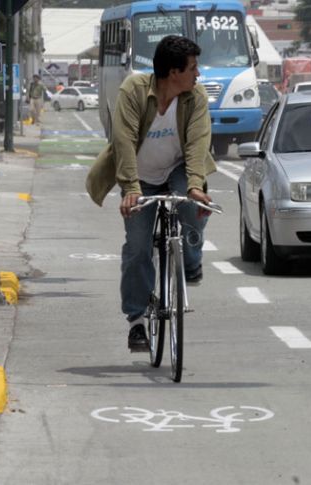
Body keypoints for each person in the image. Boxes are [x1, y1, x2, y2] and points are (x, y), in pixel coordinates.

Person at [85, 35, 217, 352]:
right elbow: (124, 142)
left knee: (191, 205)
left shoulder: (195, 95)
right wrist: (130, 189)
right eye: (193, 68)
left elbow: (199, 141)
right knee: (138, 247)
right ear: (173, 72)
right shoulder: (133, 91)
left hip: (178, 168)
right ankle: (137, 322)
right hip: (139, 177)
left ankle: (190, 262)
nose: (198, 75)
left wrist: (197, 185)